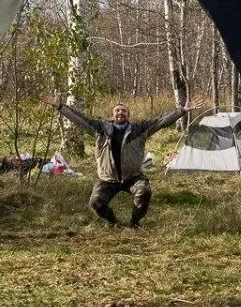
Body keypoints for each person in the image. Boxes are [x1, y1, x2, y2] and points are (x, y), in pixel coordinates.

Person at [46, 94, 195, 228]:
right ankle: (114, 222)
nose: (120, 112)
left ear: (128, 115)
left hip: (133, 177)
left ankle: (134, 223)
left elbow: (161, 121)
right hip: (108, 179)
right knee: (96, 203)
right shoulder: (100, 129)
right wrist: (60, 107)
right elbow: (80, 119)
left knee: (144, 192)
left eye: (123, 111)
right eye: (117, 110)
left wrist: (182, 111)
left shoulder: (138, 129)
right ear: (112, 115)